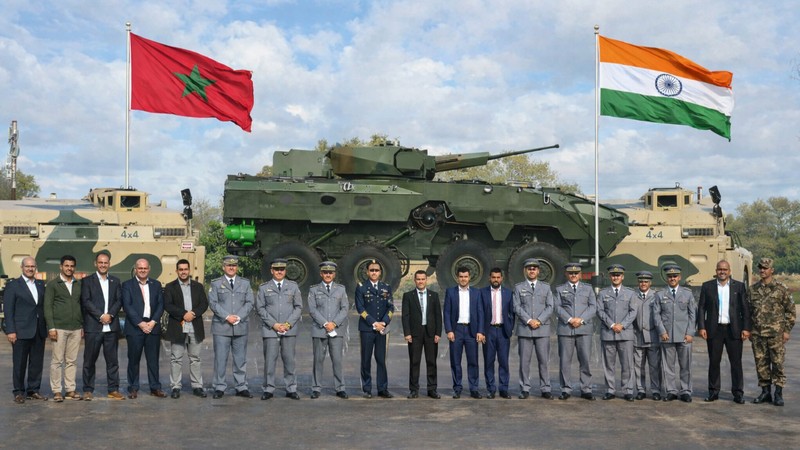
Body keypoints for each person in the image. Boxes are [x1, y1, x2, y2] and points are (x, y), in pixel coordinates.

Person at [697, 260, 751, 404]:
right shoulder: (707, 286)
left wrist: (746, 328)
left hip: (734, 330)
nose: (722, 272)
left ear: (729, 271)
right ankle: (713, 391)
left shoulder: (738, 286)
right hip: (714, 330)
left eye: (725, 269)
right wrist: (702, 327)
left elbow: (745, 309)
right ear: (716, 270)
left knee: (736, 363)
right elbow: (701, 308)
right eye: (720, 269)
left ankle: (738, 393)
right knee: (714, 362)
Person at [749, 257, 795, 407]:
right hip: (758, 334)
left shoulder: (781, 289)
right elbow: (748, 311)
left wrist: (786, 331)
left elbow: (790, 312)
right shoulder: (753, 289)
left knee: (777, 363)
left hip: (776, 334)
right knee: (761, 364)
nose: (762, 270)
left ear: (772, 270)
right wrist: (749, 329)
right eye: (760, 268)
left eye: (765, 268)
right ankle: (765, 392)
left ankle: (778, 393)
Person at [208, 255, 255, 399]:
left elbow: (249, 302)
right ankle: (219, 386)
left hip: (240, 326)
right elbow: (213, 303)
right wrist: (227, 316)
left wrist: (239, 316)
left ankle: (241, 386)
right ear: (223, 267)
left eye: (234, 265)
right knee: (220, 359)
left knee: (240, 359)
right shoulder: (216, 284)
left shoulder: (245, 283)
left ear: (237, 267)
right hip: (222, 326)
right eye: (228, 265)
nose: (231, 268)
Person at [256, 258, 303, 400]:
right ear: (271, 271)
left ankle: (291, 388)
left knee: (289, 360)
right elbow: (260, 308)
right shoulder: (264, 288)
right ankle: (268, 389)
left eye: (282, 269)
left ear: (285, 271)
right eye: (276, 269)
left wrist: (288, 324)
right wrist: (274, 324)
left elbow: (298, 307)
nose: (279, 272)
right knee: (270, 361)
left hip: (289, 330)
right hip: (270, 330)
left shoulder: (293, 286)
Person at [81, 251, 125, 400]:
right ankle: (88, 390)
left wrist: (110, 315)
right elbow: (86, 301)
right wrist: (100, 316)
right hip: (93, 327)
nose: (103, 265)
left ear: (109, 264)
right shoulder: (87, 281)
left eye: (105, 262)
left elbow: (119, 300)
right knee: (89, 361)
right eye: (100, 262)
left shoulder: (115, 281)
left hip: (111, 329)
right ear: (95, 264)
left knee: (113, 361)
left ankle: (113, 389)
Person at [163, 259, 209, 399]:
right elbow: (168, 305)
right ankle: (176, 387)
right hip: (178, 327)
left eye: (185, 269)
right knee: (176, 358)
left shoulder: (198, 286)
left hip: (194, 327)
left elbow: (204, 304)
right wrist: (184, 314)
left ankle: (197, 386)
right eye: (180, 269)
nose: (183, 272)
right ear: (177, 271)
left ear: (189, 270)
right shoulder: (170, 287)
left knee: (195, 358)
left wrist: (193, 313)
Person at [4, 257, 47, 404]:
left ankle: (33, 390)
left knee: (36, 363)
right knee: (20, 363)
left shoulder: (41, 285)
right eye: (27, 266)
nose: (30, 269)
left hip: (38, 330)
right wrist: (10, 330)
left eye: (33, 266)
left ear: (36, 268)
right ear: (22, 268)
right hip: (20, 331)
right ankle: (18, 392)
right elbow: (9, 311)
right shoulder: (14, 285)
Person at [121, 258, 166, 399]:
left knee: (153, 360)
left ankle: (155, 387)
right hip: (135, 328)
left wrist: (152, 322)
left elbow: (160, 305)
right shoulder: (127, 285)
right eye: (140, 268)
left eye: (145, 268)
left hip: (152, 328)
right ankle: (133, 387)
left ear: (149, 269)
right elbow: (127, 306)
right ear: (135, 269)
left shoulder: (156, 284)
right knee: (133, 360)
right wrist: (140, 323)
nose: (142, 270)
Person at [44, 255, 84, 402]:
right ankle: (56, 390)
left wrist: (81, 325)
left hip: (75, 328)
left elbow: (81, 305)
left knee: (71, 360)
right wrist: (51, 327)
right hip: (59, 328)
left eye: (72, 266)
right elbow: (47, 307)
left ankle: (70, 389)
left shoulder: (78, 284)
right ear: (61, 266)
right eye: (66, 265)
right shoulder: (53, 284)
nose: (69, 268)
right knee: (57, 360)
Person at [653, 264, 695, 402]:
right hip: (667, 336)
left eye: (675, 276)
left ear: (679, 277)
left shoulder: (687, 294)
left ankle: (686, 391)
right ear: (666, 278)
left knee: (685, 366)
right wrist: (662, 331)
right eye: (670, 276)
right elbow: (656, 315)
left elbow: (692, 315)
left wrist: (690, 333)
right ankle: (671, 391)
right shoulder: (660, 294)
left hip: (684, 336)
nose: (672, 278)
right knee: (668, 366)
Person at [555, 263, 596, 401]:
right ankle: (565, 389)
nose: (573, 275)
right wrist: (570, 319)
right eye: (570, 273)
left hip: (584, 329)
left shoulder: (588, 289)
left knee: (585, 360)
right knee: (565, 361)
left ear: (580, 274)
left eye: (576, 273)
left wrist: (581, 319)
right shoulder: (560, 289)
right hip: (566, 328)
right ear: (566, 274)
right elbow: (557, 307)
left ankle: (586, 389)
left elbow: (593, 307)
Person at [308, 261, 349, 399]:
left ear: (334, 274)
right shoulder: (314, 289)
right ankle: (316, 388)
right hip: (320, 329)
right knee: (318, 360)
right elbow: (312, 310)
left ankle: (340, 388)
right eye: (325, 272)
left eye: (330, 272)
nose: (328, 275)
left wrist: (334, 323)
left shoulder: (341, 289)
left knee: (337, 360)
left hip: (336, 330)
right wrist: (325, 323)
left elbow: (344, 309)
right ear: (321, 274)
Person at [513, 258, 553, 400]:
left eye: (534, 268)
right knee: (524, 361)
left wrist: (539, 321)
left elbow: (550, 307)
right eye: (529, 268)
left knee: (544, 360)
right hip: (525, 329)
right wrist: (529, 320)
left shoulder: (546, 287)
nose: (532, 270)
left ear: (538, 271)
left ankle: (545, 388)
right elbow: (516, 307)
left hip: (542, 329)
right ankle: (524, 388)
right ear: (525, 270)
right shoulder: (518, 288)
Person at [355, 260, 395, 398]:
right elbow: (360, 308)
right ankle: (367, 389)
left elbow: (391, 307)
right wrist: (374, 323)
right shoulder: (361, 287)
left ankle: (382, 388)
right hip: (367, 328)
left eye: (376, 270)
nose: (374, 272)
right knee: (366, 359)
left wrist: (383, 322)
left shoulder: (386, 287)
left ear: (380, 272)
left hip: (382, 329)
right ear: (367, 272)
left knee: (381, 359)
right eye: (371, 270)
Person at [597, 264, 637, 401]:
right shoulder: (603, 293)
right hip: (609, 333)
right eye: (613, 275)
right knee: (609, 364)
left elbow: (633, 312)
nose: (616, 277)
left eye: (618, 275)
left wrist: (622, 325)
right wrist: (612, 324)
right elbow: (600, 311)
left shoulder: (630, 293)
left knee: (627, 364)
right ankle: (610, 390)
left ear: (622, 277)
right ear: (610, 277)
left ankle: (627, 390)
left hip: (625, 334)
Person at [444, 266, 484, 399]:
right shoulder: (450, 292)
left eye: (465, 276)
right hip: (456, 331)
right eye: (461, 276)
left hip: (472, 331)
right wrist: (449, 330)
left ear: (469, 278)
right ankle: (457, 388)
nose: (463, 279)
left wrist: (480, 331)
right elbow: (447, 312)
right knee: (456, 361)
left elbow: (480, 313)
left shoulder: (476, 293)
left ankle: (474, 388)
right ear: (457, 277)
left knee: (473, 361)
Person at [402, 270, 442, 399]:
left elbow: (438, 316)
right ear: (415, 280)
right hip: (415, 334)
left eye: (423, 279)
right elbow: (405, 316)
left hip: (430, 333)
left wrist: (438, 333)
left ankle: (432, 389)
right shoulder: (408, 296)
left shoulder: (434, 296)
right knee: (414, 362)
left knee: (431, 362)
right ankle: (414, 390)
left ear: (426, 280)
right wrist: (407, 333)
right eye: (418, 279)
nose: (420, 281)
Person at [479, 268, 514, 399]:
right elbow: (480, 313)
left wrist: (510, 329)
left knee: (504, 361)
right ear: (489, 278)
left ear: (502, 278)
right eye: (493, 277)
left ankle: (504, 389)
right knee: (489, 361)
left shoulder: (508, 293)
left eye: (498, 277)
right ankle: (491, 389)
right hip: (488, 331)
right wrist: (481, 331)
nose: (496, 280)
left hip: (503, 331)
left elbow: (512, 313)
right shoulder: (482, 293)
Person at [632, 271, 662, 401]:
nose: (643, 284)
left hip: (653, 336)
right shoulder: (633, 296)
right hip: (637, 336)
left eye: (645, 281)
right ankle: (641, 389)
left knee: (654, 366)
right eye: (641, 281)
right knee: (638, 366)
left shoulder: (656, 296)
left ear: (650, 283)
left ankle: (656, 390)